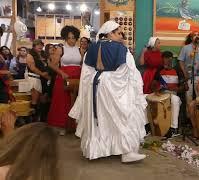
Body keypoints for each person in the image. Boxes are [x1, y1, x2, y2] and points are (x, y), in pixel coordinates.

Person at [69, 20, 147, 162]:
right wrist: (133, 90)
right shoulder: (121, 49)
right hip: (113, 86)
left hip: (95, 85)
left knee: (98, 117)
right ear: (110, 33)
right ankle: (126, 152)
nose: (121, 36)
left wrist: (87, 89)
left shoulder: (92, 48)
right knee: (121, 117)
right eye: (118, 33)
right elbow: (129, 72)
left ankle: (95, 150)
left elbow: (86, 72)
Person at [47, 25, 82, 135]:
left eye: (74, 37)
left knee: (76, 102)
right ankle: (62, 126)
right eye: (69, 37)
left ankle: (75, 126)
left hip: (77, 78)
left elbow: (82, 64)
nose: (72, 40)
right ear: (65, 38)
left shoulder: (79, 49)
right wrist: (62, 73)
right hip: (63, 78)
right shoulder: (60, 49)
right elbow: (52, 65)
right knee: (63, 103)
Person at [151, 51, 187, 138]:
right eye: (165, 59)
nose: (167, 61)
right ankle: (149, 126)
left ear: (171, 60)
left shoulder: (177, 70)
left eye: (168, 59)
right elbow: (153, 84)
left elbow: (184, 87)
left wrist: (177, 88)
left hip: (173, 94)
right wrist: (156, 89)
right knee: (145, 98)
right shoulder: (159, 70)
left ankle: (173, 128)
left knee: (175, 100)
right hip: (161, 94)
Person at [178, 31, 199, 105]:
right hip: (188, 77)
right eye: (195, 35)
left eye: (198, 35)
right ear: (191, 38)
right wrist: (185, 73)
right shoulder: (185, 48)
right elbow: (181, 61)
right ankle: (189, 116)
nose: (197, 36)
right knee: (188, 97)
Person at [26, 39, 50, 121]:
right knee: (35, 99)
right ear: (34, 46)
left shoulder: (44, 54)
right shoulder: (30, 55)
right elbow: (32, 68)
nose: (40, 46)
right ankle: (34, 120)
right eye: (37, 45)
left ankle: (42, 119)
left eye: (41, 45)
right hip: (34, 77)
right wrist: (42, 74)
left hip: (44, 79)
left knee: (43, 99)